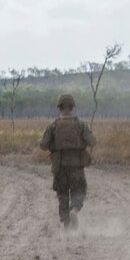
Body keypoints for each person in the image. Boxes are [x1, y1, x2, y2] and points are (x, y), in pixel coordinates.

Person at [39, 94, 96, 229]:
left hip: (60, 167)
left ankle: (66, 227)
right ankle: (74, 210)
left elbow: (43, 145)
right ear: (72, 107)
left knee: (62, 195)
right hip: (76, 165)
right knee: (79, 190)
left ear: (59, 107)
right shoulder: (81, 124)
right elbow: (93, 141)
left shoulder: (53, 125)